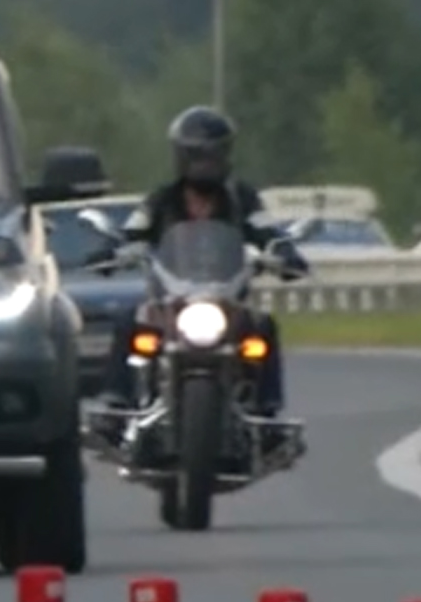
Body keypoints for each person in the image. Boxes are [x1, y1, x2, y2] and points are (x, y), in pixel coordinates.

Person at [99, 105, 307, 416]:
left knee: (263, 325)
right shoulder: (163, 199)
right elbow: (133, 229)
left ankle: (267, 407)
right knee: (130, 319)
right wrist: (111, 250)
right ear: (182, 156)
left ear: (226, 155)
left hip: (227, 297)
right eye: (198, 156)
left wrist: (285, 253)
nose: (206, 164)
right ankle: (118, 401)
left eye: (213, 155)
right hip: (172, 298)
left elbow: (266, 229)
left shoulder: (242, 198)